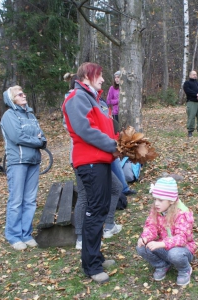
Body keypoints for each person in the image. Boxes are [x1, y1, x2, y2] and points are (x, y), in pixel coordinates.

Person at [62, 62, 120, 284]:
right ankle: (91, 266)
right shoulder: (77, 98)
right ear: (87, 76)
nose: (103, 79)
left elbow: (104, 129)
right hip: (89, 162)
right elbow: (85, 131)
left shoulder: (94, 99)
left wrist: (119, 144)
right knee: (95, 212)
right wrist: (114, 146)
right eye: (100, 75)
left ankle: (95, 256)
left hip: (101, 160)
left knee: (101, 209)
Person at [0, 85, 47, 250]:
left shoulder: (31, 115)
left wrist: (42, 140)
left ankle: (26, 234)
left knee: (30, 200)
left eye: (23, 92)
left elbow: (42, 134)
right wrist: (37, 141)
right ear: (12, 99)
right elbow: (17, 136)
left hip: (34, 161)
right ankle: (13, 236)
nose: (24, 95)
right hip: (18, 162)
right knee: (16, 200)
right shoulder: (9, 115)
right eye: (20, 94)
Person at [136, 177, 196, 286]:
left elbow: (182, 239)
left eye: (160, 200)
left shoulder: (183, 213)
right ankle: (162, 265)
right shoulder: (157, 210)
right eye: (155, 199)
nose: (156, 203)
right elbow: (151, 226)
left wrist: (161, 243)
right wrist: (145, 237)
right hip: (165, 246)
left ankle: (184, 269)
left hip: (182, 250)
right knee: (141, 246)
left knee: (175, 254)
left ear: (171, 200)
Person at [183, 70, 198, 137]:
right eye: (193, 74)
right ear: (190, 75)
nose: (195, 75)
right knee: (191, 117)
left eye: (196, 74)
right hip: (192, 102)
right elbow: (188, 91)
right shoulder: (187, 83)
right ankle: (190, 131)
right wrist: (196, 94)